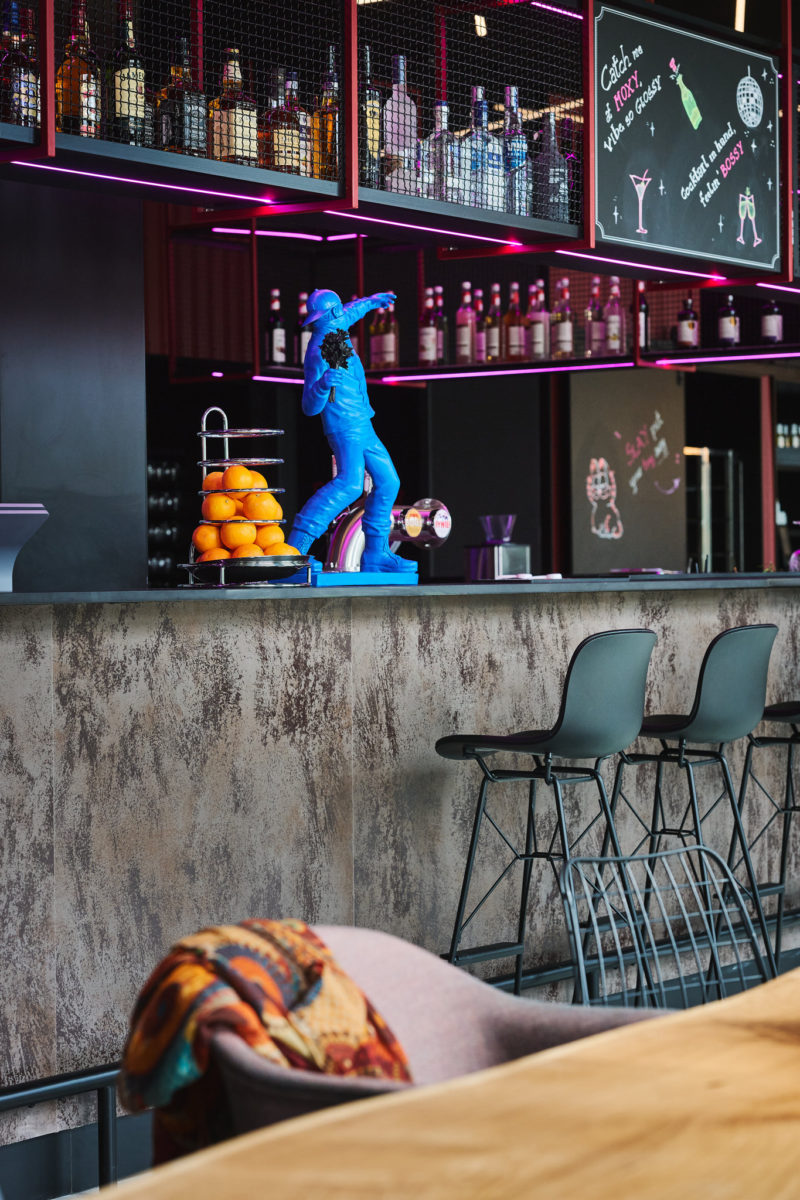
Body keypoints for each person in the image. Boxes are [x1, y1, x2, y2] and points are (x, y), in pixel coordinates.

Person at [288, 288, 416, 573]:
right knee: (349, 484)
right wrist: (323, 385)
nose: (339, 316)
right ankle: (295, 551)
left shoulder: (336, 327)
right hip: (344, 426)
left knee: (389, 482)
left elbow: (351, 311)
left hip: (363, 422)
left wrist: (372, 302)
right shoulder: (318, 350)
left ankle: (376, 554)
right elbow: (309, 406)